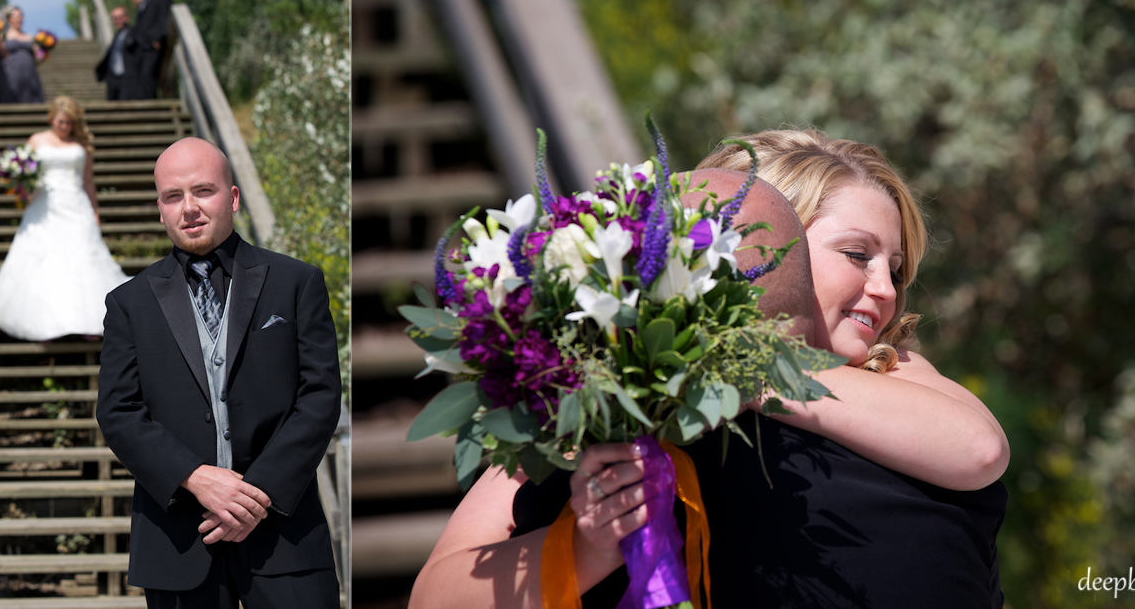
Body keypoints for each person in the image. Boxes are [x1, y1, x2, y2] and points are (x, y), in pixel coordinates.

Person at [411, 130, 1009, 607]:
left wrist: (742, 371)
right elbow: (439, 595)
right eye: (858, 255)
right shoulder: (606, 388)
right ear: (758, 242)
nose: (886, 290)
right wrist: (589, 546)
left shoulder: (899, 371)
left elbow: (978, 451)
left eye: (896, 269)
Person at [96, 138, 341, 608]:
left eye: (202, 191)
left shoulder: (297, 282)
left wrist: (258, 495)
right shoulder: (127, 303)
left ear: (232, 197)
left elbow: (320, 396)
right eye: (173, 196)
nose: (188, 208)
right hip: (179, 542)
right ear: (160, 210)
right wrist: (194, 476)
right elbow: (119, 412)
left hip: (285, 537)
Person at [0, 96, 130, 340]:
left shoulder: (81, 147)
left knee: (81, 257)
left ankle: (89, 319)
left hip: (76, 203)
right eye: (61, 121)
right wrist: (21, 184)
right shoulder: (37, 140)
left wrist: (95, 210)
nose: (64, 127)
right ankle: (45, 321)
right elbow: (27, 171)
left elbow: (88, 181)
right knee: (46, 259)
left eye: (69, 123)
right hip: (44, 204)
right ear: (52, 117)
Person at [125, 0, 172, 100]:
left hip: (152, 46)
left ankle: (151, 108)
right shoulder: (142, 2)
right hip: (140, 48)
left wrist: (158, 39)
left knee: (148, 76)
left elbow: (164, 19)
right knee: (140, 78)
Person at [0, 6, 45, 104]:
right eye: (16, 16)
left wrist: (43, 53)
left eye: (21, 16)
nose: (19, 19)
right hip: (12, 72)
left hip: (30, 72)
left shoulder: (30, 36)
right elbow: (0, 52)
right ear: (9, 18)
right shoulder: (4, 35)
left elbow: (38, 55)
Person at [96, 6, 133, 100]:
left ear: (127, 17)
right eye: (115, 18)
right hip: (113, 78)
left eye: (120, 17)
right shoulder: (116, 37)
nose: (117, 20)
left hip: (128, 77)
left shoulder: (134, 33)